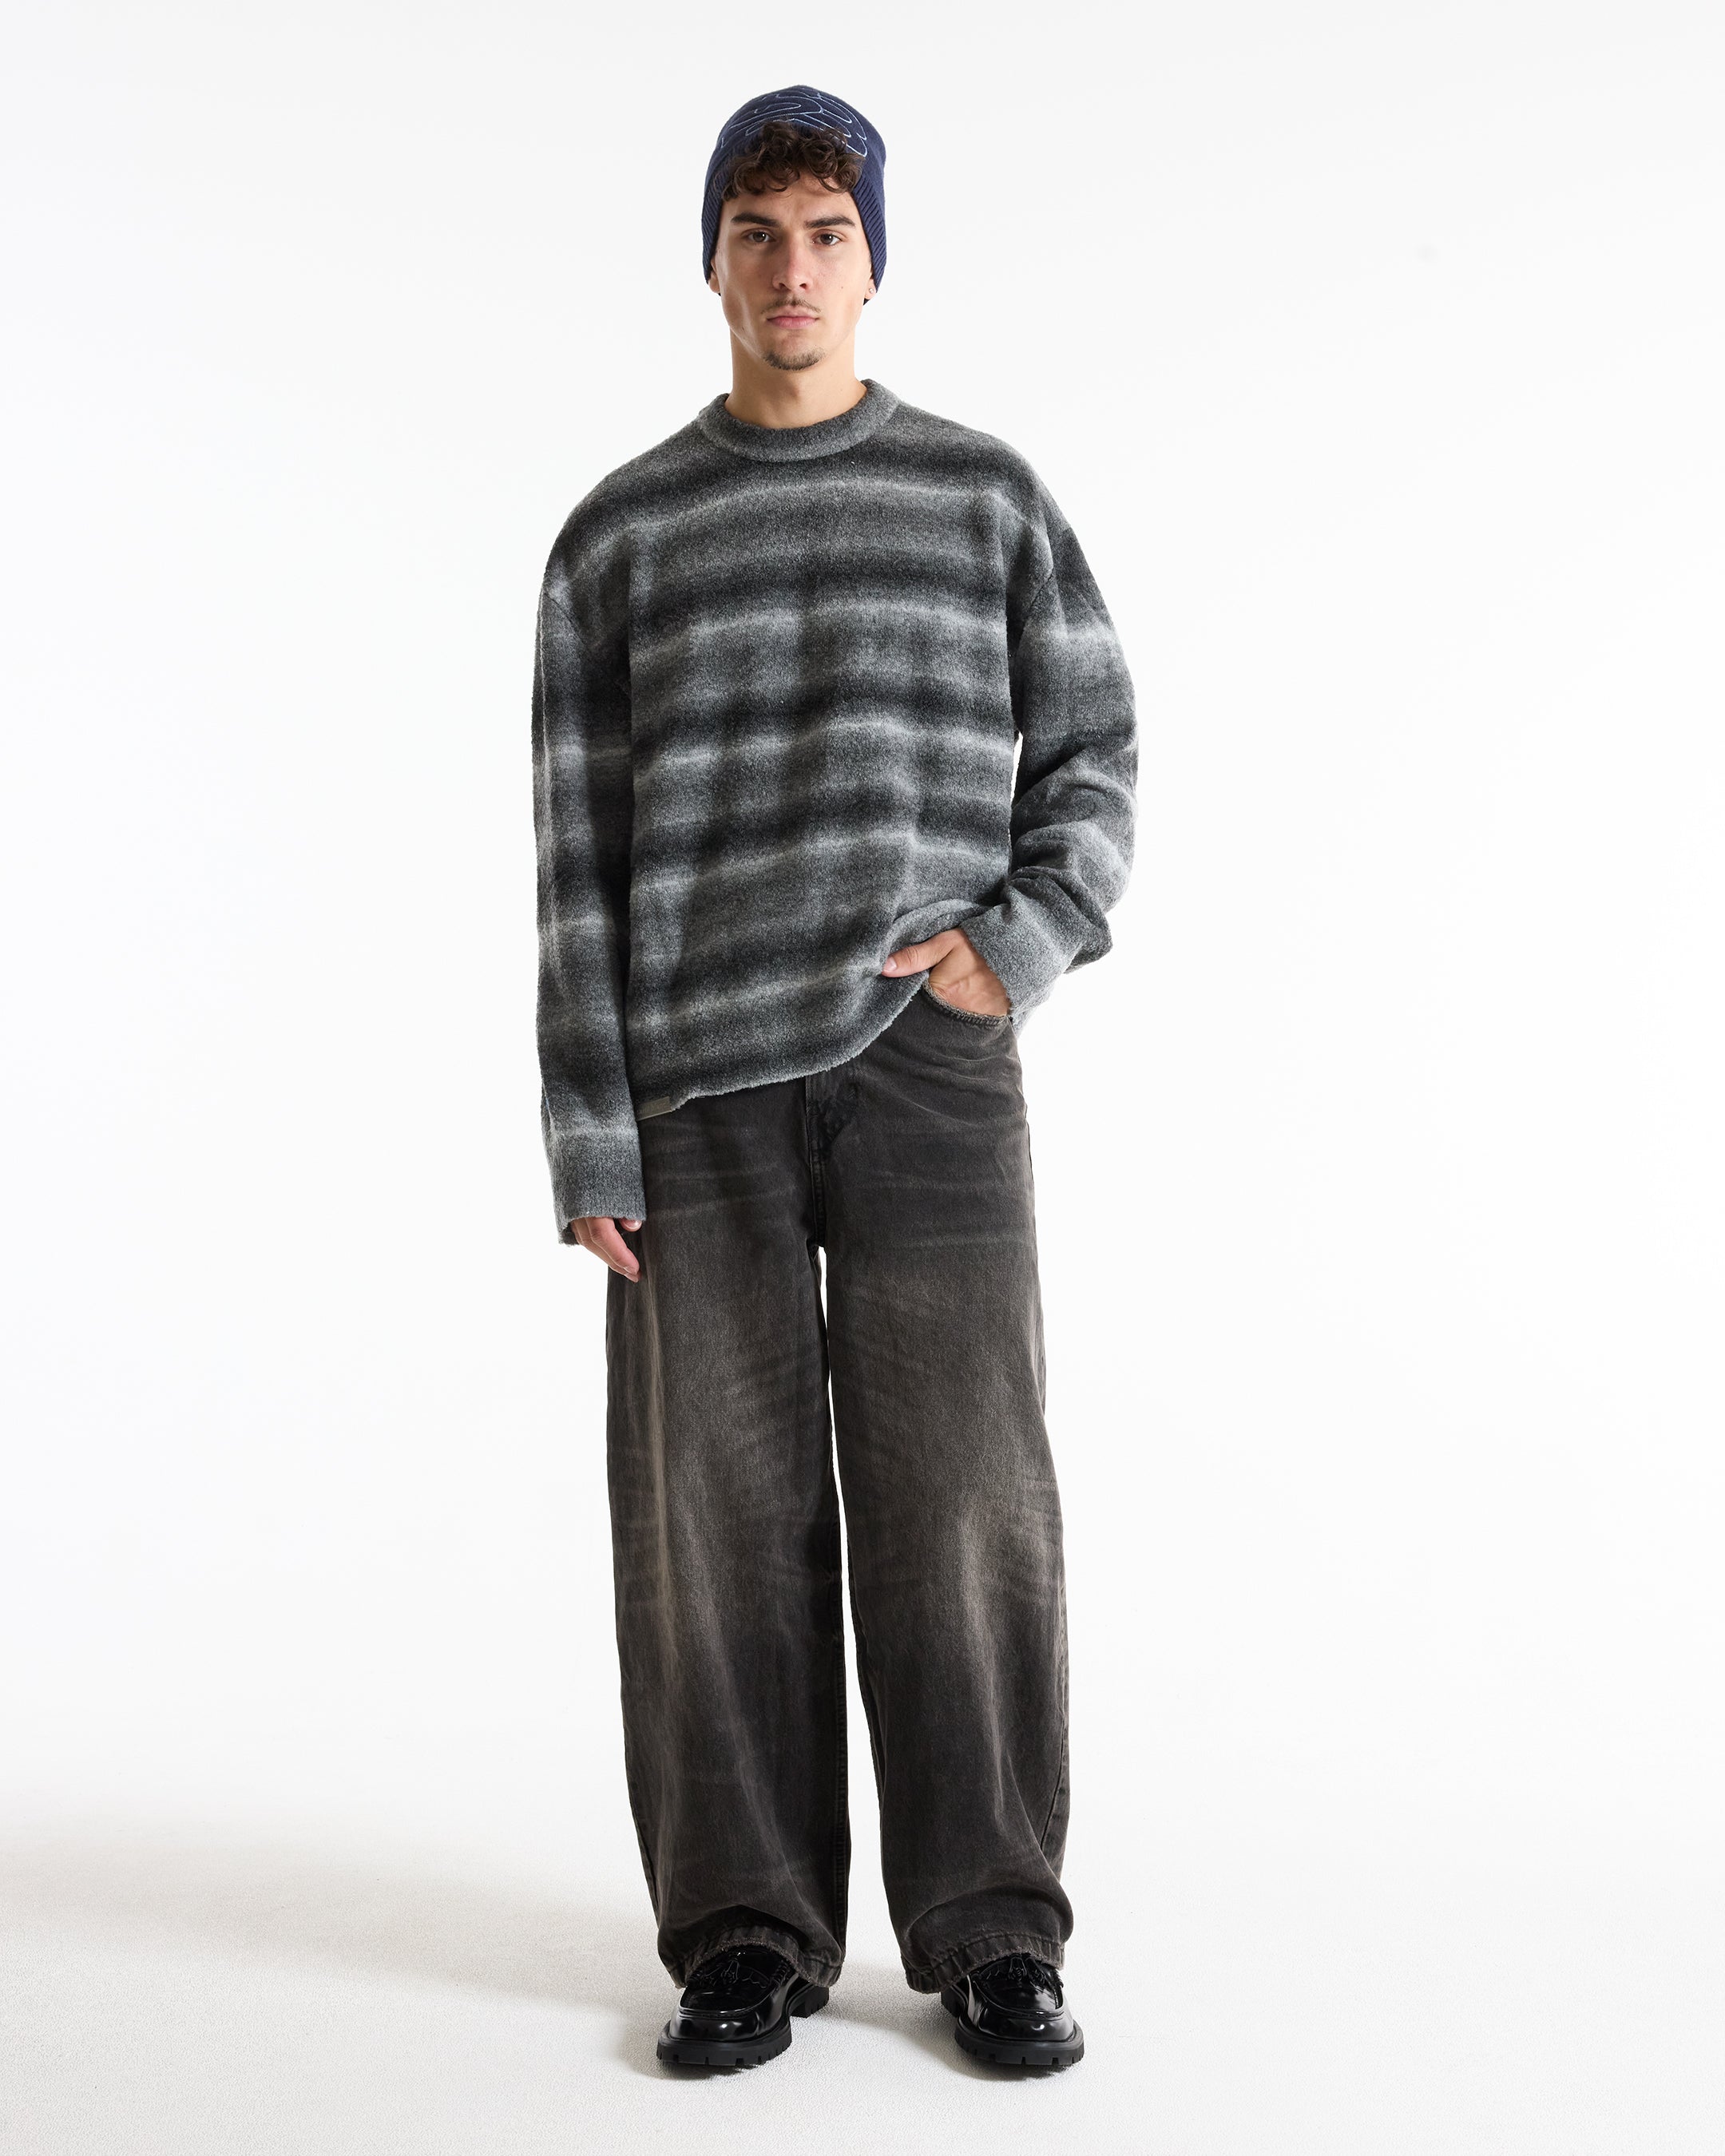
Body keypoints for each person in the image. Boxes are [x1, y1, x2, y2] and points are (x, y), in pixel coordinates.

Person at [530, 84, 1136, 2073]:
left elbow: (1094, 753)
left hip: (928, 1067)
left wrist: (1016, 947)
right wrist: (588, 1124)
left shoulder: (981, 496)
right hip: (692, 1090)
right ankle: (743, 1932)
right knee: (714, 1520)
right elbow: (575, 855)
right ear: (709, 258)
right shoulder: (619, 535)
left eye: (827, 234)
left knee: (966, 1503)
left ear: (874, 261)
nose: (792, 270)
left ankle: (994, 1931)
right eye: (757, 232)